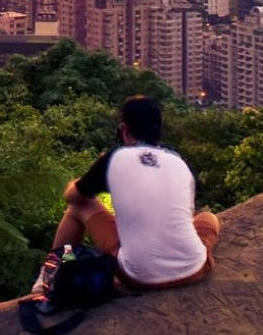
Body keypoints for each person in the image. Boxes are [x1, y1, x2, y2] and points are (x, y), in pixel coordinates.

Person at [48, 95, 220, 290]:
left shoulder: (115, 158)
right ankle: (190, 252)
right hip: (194, 271)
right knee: (208, 217)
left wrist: (83, 179)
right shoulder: (178, 161)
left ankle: (52, 276)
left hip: (137, 277)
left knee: (78, 207)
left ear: (124, 129)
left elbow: (72, 196)